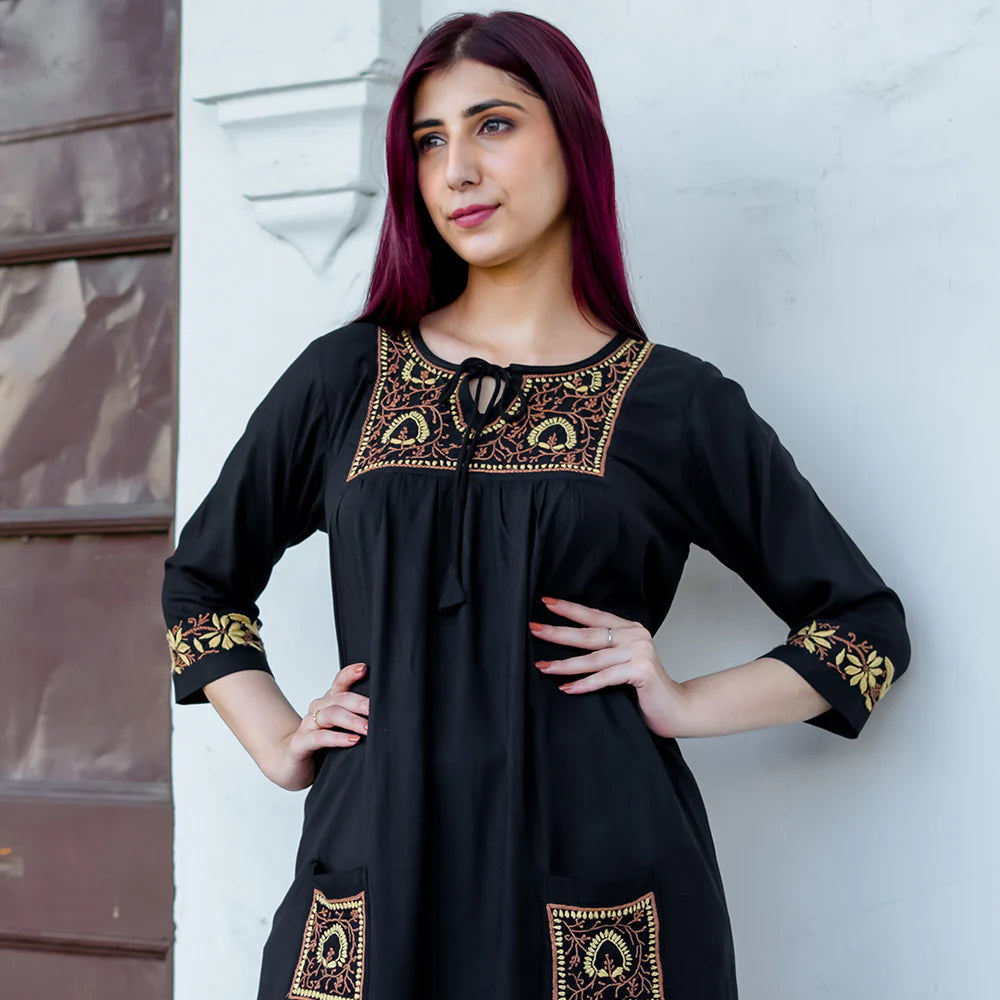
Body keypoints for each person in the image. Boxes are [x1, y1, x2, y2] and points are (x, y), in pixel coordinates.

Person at [161, 10, 911, 1000]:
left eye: (494, 125)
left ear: (572, 136)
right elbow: (199, 581)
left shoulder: (673, 404)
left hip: (597, 900)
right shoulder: (345, 377)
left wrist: (682, 701)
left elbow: (863, 627)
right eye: (429, 142)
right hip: (372, 887)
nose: (457, 169)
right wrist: (277, 741)